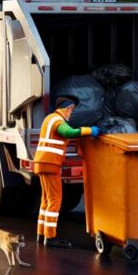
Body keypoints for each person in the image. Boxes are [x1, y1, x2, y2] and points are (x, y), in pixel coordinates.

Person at [34, 98, 99, 248]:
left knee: (46, 200)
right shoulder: (58, 120)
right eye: (71, 110)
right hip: (50, 164)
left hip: (42, 163)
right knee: (55, 200)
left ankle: (41, 234)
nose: (71, 113)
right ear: (66, 108)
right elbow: (69, 132)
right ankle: (50, 238)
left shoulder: (49, 118)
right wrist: (90, 130)